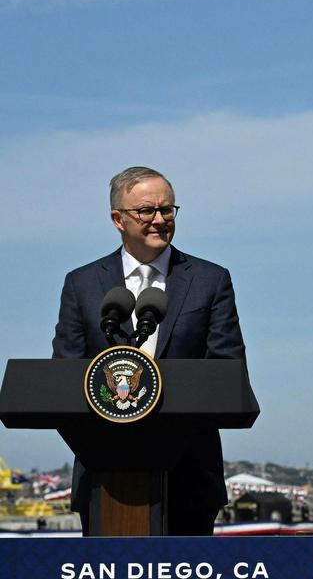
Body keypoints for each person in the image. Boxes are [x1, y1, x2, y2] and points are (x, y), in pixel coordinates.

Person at [53, 166, 246, 535]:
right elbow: (65, 374)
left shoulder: (210, 280)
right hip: (103, 480)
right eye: (146, 211)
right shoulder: (81, 284)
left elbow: (227, 369)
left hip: (189, 477)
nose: (159, 219)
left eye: (167, 210)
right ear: (118, 219)